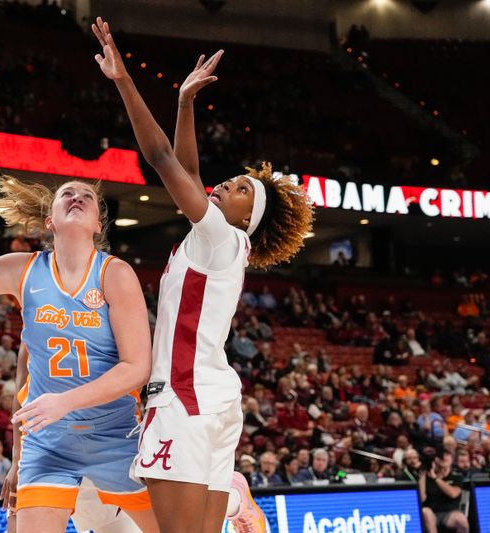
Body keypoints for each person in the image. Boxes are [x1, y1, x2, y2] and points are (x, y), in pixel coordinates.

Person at [92, 19, 312, 532]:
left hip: (183, 398)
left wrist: (123, 79)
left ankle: (237, 507)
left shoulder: (222, 238)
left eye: (238, 189)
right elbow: (189, 172)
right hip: (213, 398)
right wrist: (185, 102)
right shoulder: (219, 241)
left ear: (245, 219)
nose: (223, 184)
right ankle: (236, 505)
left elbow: (163, 159)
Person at [0, 147, 157, 532]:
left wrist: (64, 402)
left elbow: (137, 368)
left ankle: (230, 501)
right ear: (50, 220)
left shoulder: (115, 274)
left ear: (99, 224)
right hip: (49, 443)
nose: (77, 197)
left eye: (87, 196)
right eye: (67, 193)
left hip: (117, 436)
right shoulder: (26, 269)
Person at [2, 343, 142, 533]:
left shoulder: (118, 322)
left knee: (119, 527)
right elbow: (21, 400)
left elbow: (138, 373)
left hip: (109, 443)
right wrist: (16, 459)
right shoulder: (33, 323)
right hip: (48, 446)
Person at [419, 455, 469, 533]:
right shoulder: (427, 477)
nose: (443, 460)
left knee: (462, 520)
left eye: (446, 457)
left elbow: (453, 494)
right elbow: (422, 498)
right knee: (425, 512)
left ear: (451, 461)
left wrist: (435, 478)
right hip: (432, 513)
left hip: (450, 513)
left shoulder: (456, 476)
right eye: (440, 458)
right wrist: (422, 474)